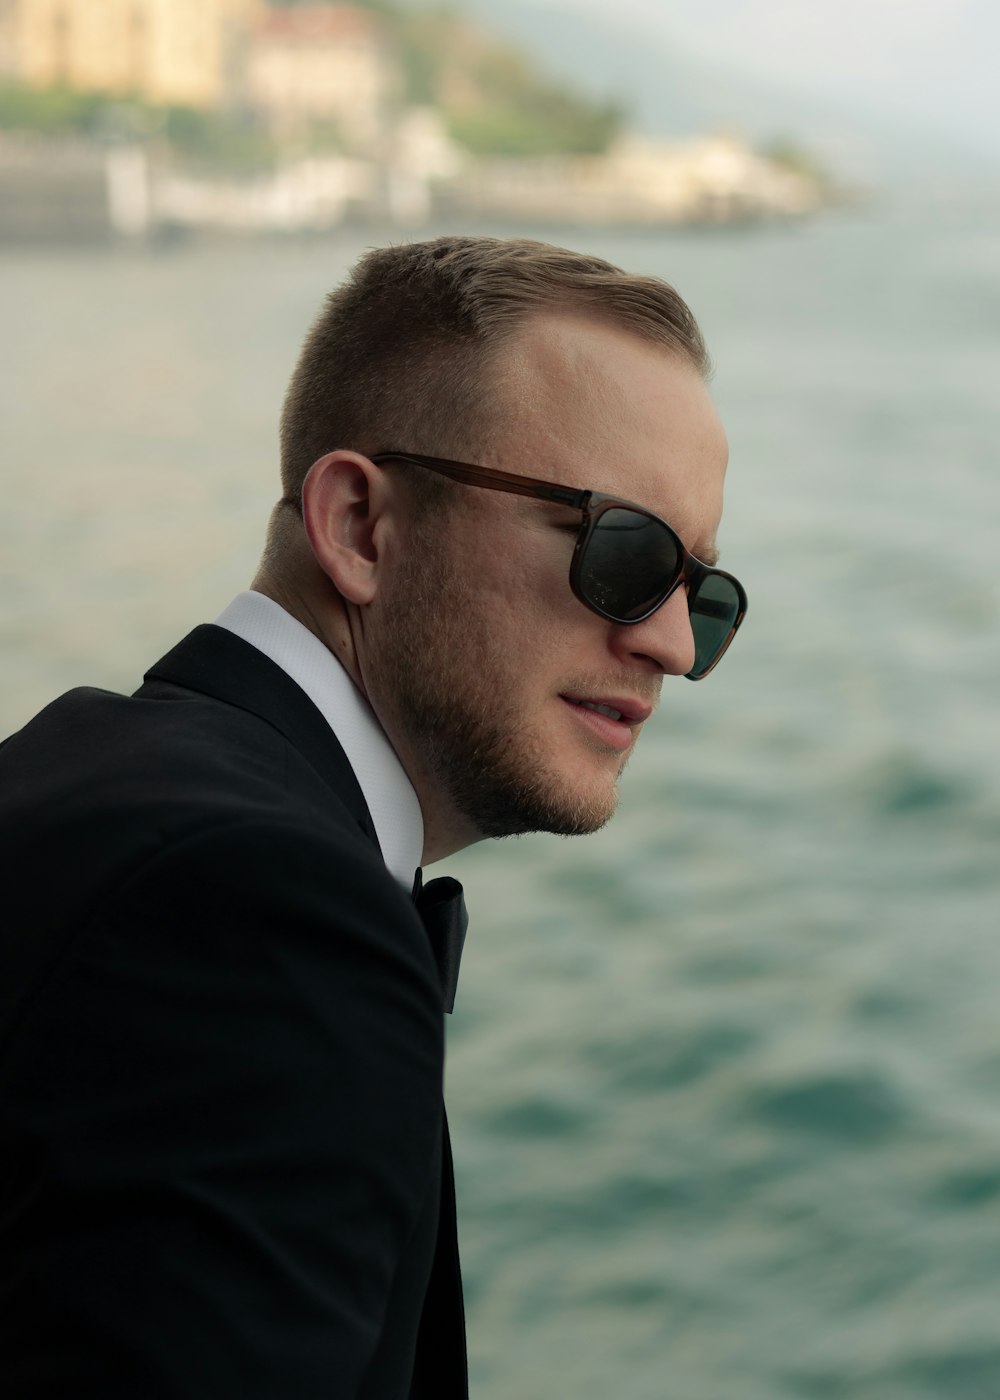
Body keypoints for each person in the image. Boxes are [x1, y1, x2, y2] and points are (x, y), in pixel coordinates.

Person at [0, 236, 746, 1399]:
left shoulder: (83, 762)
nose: (673, 643)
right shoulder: (261, 913)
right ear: (358, 524)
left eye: (701, 588)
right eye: (623, 551)